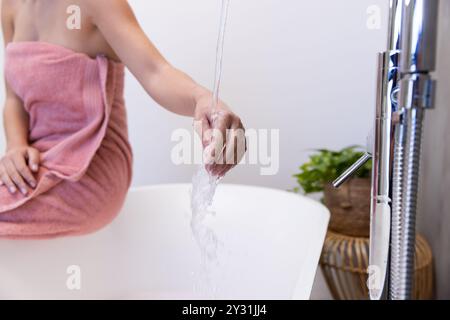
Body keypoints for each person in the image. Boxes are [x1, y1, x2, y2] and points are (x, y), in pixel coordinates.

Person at [0, 0, 245, 238]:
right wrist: (16, 146)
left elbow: (156, 72)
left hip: (90, 171)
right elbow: (14, 99)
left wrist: (201, 99)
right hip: (37, 165)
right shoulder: (9, 5)